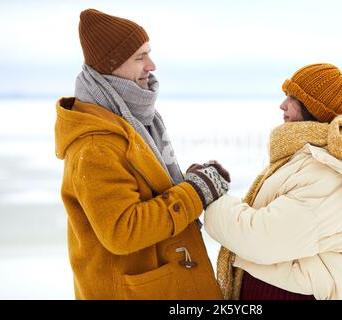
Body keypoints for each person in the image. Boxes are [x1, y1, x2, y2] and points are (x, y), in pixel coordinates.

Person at [54, 8, 229, 299]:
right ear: (111, 66)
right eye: (139, 57)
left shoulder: (131, 120)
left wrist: (187, 183)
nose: (152, 65)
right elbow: (124, 229)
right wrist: (194, 194)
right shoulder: (96, 144)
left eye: (149, 53)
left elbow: (141, 191)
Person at [204, 63, 342, 300]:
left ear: (313, 108)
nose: (282, 105)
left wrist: (211, 196)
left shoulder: (326, 174)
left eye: (292, 97)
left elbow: (261, 238)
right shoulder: (310, 158)